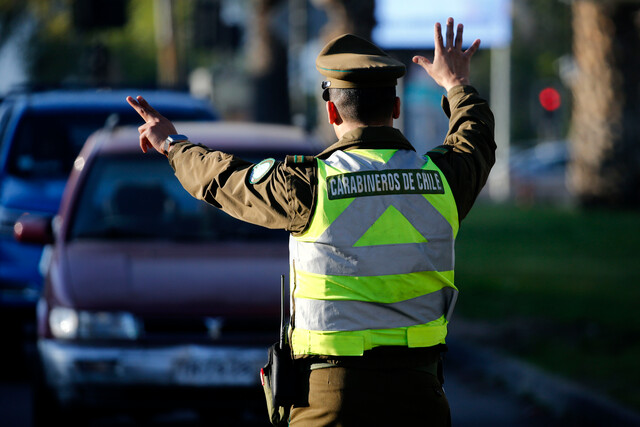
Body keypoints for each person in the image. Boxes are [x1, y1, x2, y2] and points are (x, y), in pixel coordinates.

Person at [128, 17, 495, 427]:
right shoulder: (443, 180)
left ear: (332, 109)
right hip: (420, 396)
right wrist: (456, 84)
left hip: (330, 397)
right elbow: (475, 136)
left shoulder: (306, 184)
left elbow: (222, 178)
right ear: (395, 107)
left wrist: (172, 144)